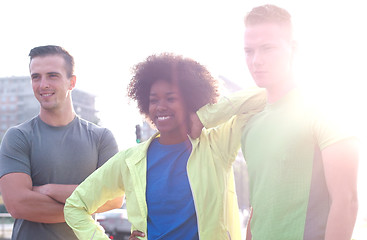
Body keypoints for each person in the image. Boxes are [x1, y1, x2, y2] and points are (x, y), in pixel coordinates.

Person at [192, 4, 359, 240]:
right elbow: (258, 209)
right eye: (249, 51)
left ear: (294, 49)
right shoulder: (251, 124)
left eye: (267, 48)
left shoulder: (325, 111)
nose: (256, 60)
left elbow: (347, 200)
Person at [64, 53, 265, 240]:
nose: (160, 106)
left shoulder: (216, 146)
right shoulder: (130, 160)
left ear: (190, 100)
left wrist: (205, 117)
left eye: (171, 98)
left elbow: (262, 96)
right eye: (153, 100)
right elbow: (74, 206)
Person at [0, 45, 122, 240]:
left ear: (71, 82)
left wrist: (49, 190)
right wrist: (84, 205)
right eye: (36, 77)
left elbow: (114, 198)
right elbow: (18, 204)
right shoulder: (18, 136)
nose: (43, 84)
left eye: (52, 75)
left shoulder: (101, 138)